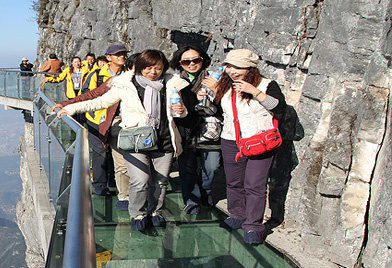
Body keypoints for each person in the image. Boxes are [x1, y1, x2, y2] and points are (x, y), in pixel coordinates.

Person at [57, 50, 189, 231]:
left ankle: (155, 212)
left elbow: (180, 111)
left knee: (160, 180)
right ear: (140, 67)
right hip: (135, 139)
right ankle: (137, 213)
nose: (153, 72)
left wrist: (181, 111)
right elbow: (99, 101)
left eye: (158, 68)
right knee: (140, 180)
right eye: (148, 68)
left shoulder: (170, 84)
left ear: (164, 68)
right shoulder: (126, 84)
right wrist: (71, 108)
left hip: (164, 139)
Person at [198, 49, 285, 244]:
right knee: (234, 181)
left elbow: (279, 107)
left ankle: (253, 225)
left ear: (250, 68)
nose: (232, 71)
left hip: (259, 140)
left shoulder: (266, 84)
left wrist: (254, 92)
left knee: (255, 184)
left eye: (238, 67)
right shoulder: (225, 85)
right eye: (229, 66)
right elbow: (217, 112)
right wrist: (207, 98)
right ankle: (237, 214)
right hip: (231, 140)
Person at [51, 53, 140, 210]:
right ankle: (108, 188)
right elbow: (94, 96)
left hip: (128, 125)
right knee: (105, 155)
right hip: (100, 119)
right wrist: (68, 105)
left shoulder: (158, 83)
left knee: (122, 161)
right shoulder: (107, 77)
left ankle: (119, 188)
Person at [169, 45, 221, 215]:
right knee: (187, 168)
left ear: (203, 59)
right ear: (180, 63)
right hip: (186, 130)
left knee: (212, 166)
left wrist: (216, 90)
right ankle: (192, 200)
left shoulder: (214, 78)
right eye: (186, 61)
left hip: (210, 130)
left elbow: (226, 105)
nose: (191, 64)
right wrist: (192, 99)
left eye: (196, 60)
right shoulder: (175, 81)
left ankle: (205, 191)